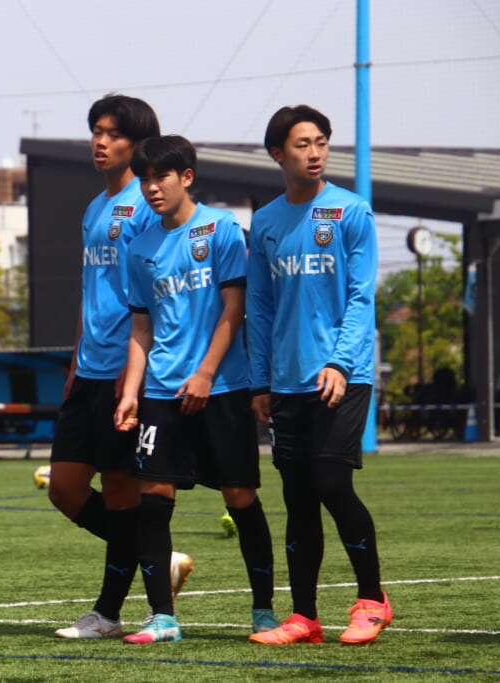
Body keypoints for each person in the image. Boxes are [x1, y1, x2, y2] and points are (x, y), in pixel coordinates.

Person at [113, 135, 278, 644]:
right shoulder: (139, 247)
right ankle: (162, 617)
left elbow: (235, 308)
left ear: (186, 177)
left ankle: (264, 611)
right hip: (162, 390)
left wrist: (206, 372)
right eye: (145, 179)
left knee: (239, 495)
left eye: (161, 176)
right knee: (153, 496)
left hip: (223, 386)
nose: (152, 187)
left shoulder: (222, 229)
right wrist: (131, 391)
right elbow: (142, 327)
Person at [245, 105, 391, 646]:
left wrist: (340, 363)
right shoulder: (265, 222)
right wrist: (261, 381)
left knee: (331, 482)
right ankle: (304, 617)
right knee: (299, 498)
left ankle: (372, 601)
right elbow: (260, 307)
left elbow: (361, 297)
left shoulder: (351, 212)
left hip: (342, 376)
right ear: (278, 154)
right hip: (285, 382)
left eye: (322, 142)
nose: (315, 153)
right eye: (302, 144)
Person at [48, 96, 192, 641]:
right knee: (64, 488)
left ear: (139, 144)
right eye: (96, 131)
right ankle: (158, 557)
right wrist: (76, 357)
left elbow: (154, 298)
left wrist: (138, 371)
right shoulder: (94, 208)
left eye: (113, 134)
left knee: (122, 493)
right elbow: (94, 291)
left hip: (126, 374)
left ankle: (107, 614)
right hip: (88, 370)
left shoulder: (146, 205)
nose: (100, 141)